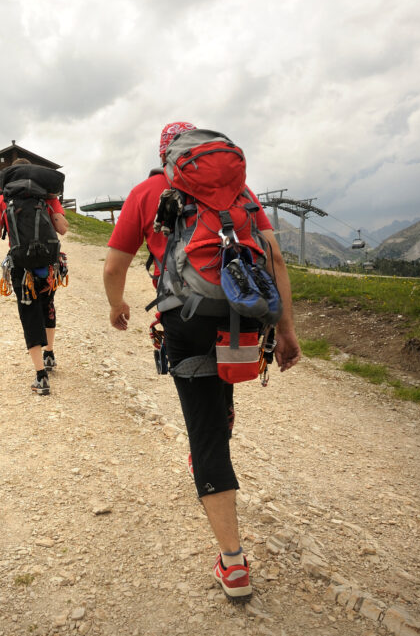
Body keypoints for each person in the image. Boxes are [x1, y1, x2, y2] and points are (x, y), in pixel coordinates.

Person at [102, 122, 301, 599]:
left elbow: (113, 265)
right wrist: (288, 330)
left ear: (166, 154)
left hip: (186, 319)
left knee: (206, 432)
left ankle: (233, 564)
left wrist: (117, 305)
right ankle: (215, 435)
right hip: (240, 315)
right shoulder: (240, 190)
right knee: (220, 394)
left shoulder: (148, 190)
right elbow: (274, 261)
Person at [0, 158, 69, 395]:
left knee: (29, 313)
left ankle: (40, 376)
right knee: (47, 305)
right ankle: (50, 354)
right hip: (49, 264)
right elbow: (62, 228)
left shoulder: (3, 200)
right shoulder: (47, 196)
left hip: (22, 268)